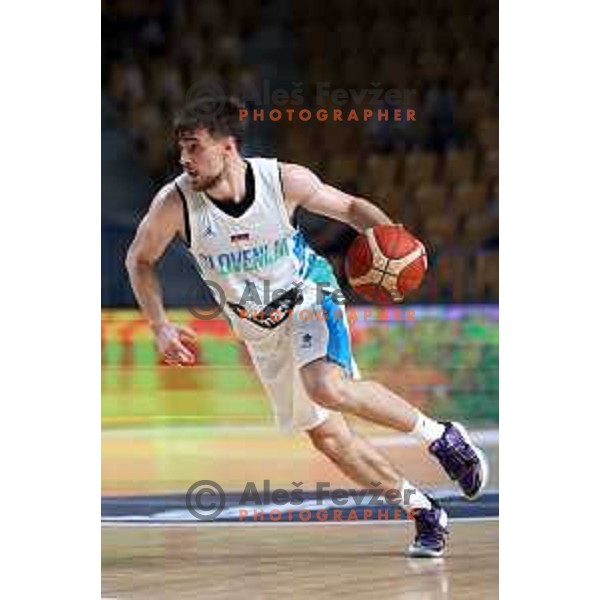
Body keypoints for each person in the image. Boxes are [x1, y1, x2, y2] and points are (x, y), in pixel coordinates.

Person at [126, 96, 488, 557]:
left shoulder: (283, 181)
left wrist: (392, 243)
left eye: (194, 147)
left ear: (227, 147)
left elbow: (354, 208)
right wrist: (159, 326)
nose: (184, 159)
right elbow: (139, 261)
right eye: (181, 149)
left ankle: (441, 437)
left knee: (326, 386)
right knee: (330, 438)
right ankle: (422, 510)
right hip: (260, 331)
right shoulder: (173, 204)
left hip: (308, 293)